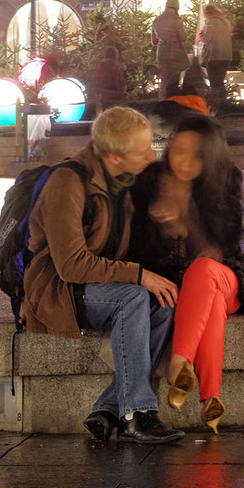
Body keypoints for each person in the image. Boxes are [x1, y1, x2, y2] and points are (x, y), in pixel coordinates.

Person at [21, 102, 179, 444]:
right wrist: (139, 275)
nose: (150, 158)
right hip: (57, 291)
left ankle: (108, 410)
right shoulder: (68, 183)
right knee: (134, 294)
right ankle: (137, 413)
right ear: (114, 157)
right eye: (142, 152)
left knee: (162, 302)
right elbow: (71, 264)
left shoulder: (119, 181)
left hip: (94, 285)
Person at [128, 111, 244, 432]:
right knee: (210, 305)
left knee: (204, 271)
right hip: (186, 289)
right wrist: (164, 226)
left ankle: (179, 366)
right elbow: (138, 249)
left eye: (197, 156)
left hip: (227, 277)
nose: (185, 162)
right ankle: (211, 399)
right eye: (179, 150)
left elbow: (218, 249)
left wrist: (185, 213)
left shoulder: (228, 180)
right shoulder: (150, 181)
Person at [152, 0, 189, 96]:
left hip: (162, 55)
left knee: (164, 82)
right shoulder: (177, 19)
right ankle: (172, 103)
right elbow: (183, 37)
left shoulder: (157, 20)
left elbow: (154, 41)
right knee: (174, 82)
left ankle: (163, 102)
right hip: (175, 55)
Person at [195, 4, 234, 81]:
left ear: (207, 14)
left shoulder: (211, 22)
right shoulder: (226, 22)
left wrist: (201, 35)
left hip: (214, 56)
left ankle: (217, 93)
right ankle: (222, 93)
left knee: (214, 83)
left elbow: (206, 39)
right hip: (227, 56)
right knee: (220, 82)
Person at [88, 42, 129, 114]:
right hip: (115, 97)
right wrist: (123, 90)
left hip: (103, 97)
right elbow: (119, 83)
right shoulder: (114, 67)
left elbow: (95, 81)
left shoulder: (100, 67)